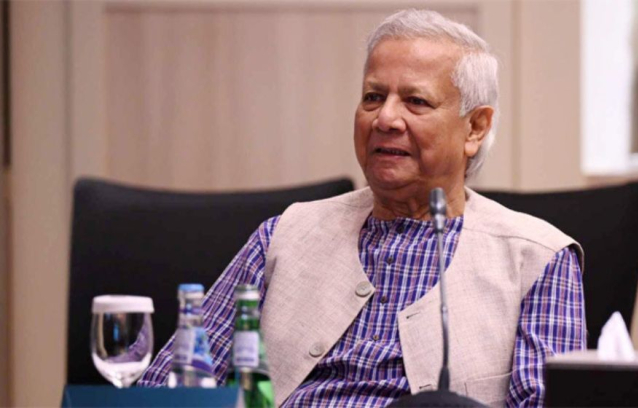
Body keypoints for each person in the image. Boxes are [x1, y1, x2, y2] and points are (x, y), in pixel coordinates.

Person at [138, 9, 586, 407]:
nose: (385, 119)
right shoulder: (283, 236)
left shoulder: (538, 260)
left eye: (415, 101)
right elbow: (167, 391)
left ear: (475, 128)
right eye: (373, 97)